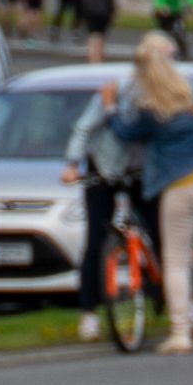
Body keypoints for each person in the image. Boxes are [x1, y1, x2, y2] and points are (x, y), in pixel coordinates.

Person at [106, 30, 193, 352]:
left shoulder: (150, 106)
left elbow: (125, 133)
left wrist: (109, 108)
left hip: (181, 183)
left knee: (176, 260)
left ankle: (180, 333)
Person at [61, 62, 148, 342]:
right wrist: (72, 164)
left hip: (140, 170)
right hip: (104, 167)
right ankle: (88, 312)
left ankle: (175, 301)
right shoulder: (116, 91)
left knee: (159, 231)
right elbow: (84, 128)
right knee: (96, 240)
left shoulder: (162, 92)